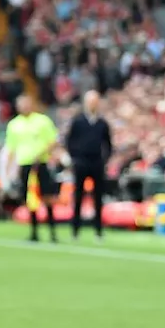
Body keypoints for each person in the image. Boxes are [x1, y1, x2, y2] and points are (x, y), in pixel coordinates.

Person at [5, 95, 60, 243]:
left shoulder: (42, 121)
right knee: (30, 199)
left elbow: (53, 141)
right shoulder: (14, 125)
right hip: (25, 165)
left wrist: (42, 153)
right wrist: (8, 169)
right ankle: (34, 232)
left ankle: (52, 231)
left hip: (41, 163)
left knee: (47, 197)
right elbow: (11, 149)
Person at [65, 90, 112, 241]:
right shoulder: (78, 121)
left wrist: (104, 160)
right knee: (78, 196)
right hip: (81, 163)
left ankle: (98, 230)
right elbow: (69, 141)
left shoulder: (102, 123)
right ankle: (75, 230)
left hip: (96, 163)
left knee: (98, 197)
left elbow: (108, 144)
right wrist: (75, 158)